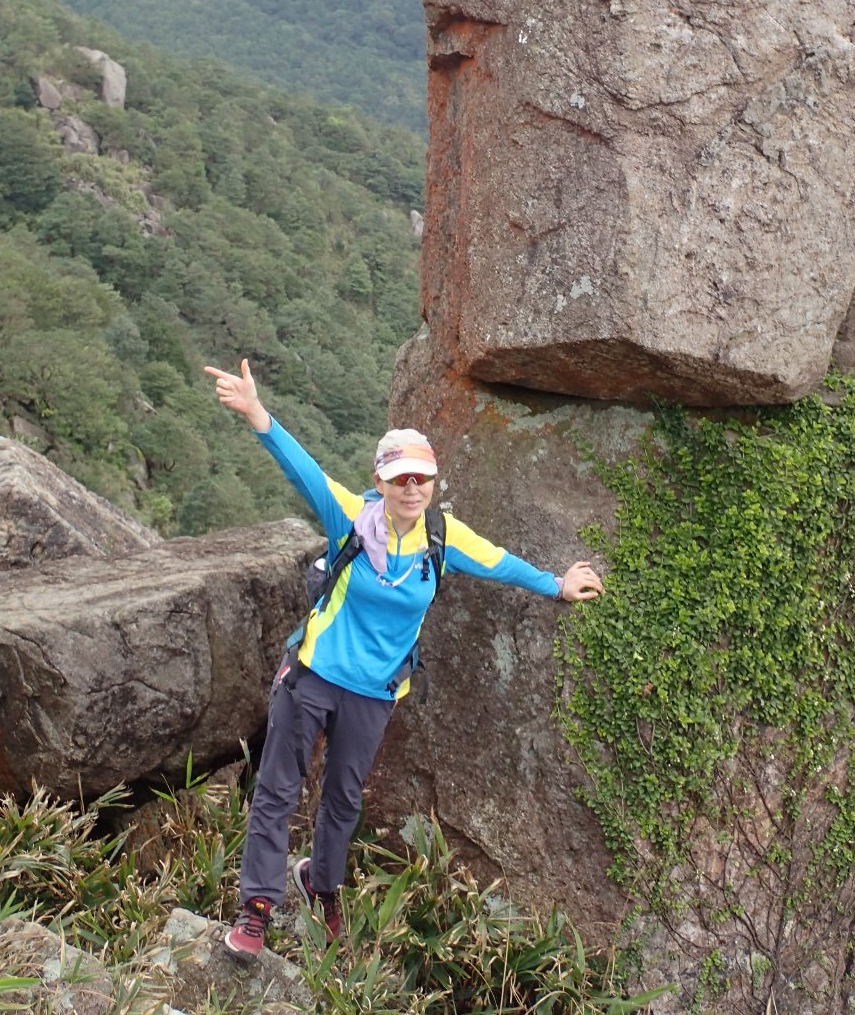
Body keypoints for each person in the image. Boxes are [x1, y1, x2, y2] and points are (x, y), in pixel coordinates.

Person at [203, 358, 604, 960]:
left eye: (422, 478)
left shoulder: (441, 537)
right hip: (312, 676)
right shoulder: (350, 517)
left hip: (375, 693)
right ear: (380, 481)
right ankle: (256, 911)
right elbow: (301, 469)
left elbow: (498, 562)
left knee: (343, 800)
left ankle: (321, 885)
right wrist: (257, 413)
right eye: (400, 479)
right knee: (278, 792)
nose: (411, 489)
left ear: (433, 482)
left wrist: (556, 584)